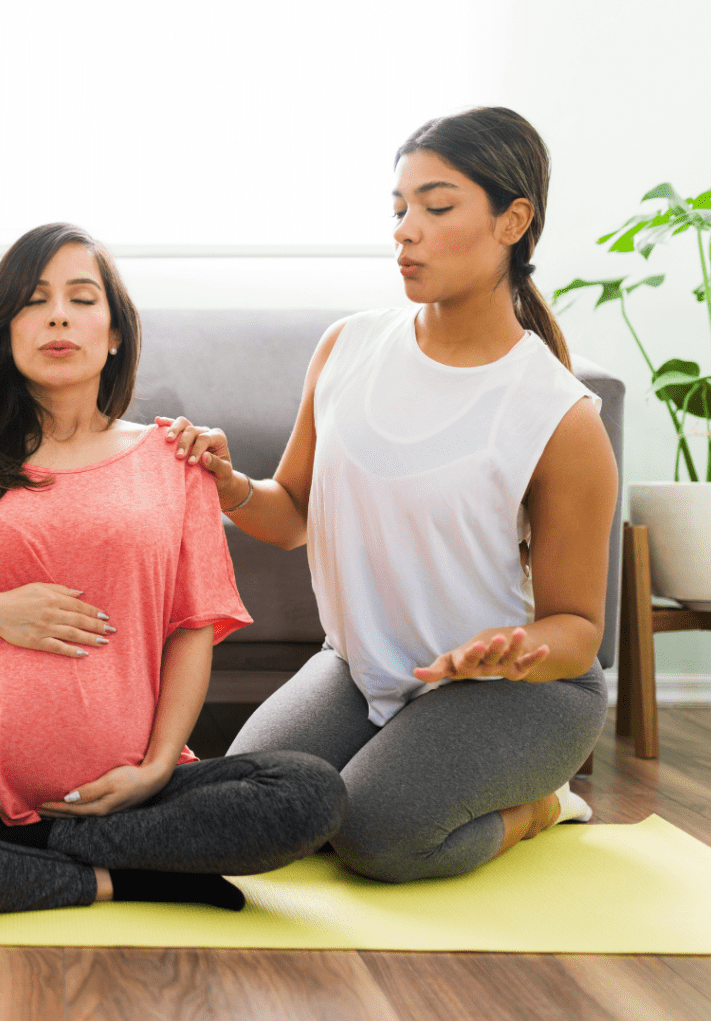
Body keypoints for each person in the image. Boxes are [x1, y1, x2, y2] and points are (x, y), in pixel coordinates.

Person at [0, 223, 347, 916]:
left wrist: (157, 768)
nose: (59, 315)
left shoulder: (174, 460)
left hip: (137, 792)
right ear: (6, 330)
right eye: (35, 301)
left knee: (309, 793)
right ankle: (120, 875)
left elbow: (192, 629)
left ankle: (32, 866)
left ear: (115, 331)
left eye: (81, 297)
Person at [158, 106, 618, 883]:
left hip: (519, 692)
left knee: (379, 837)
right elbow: (293, 517)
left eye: (436, 208)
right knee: (244, 809)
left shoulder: (559, 417)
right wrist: (233, 487)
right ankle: (404, 760)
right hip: (360, 667)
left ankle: (544, 805)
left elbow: (577, 629)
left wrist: (512, 653)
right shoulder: (348, 346)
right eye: (399, 208)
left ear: (514, 221)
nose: (406, 229)